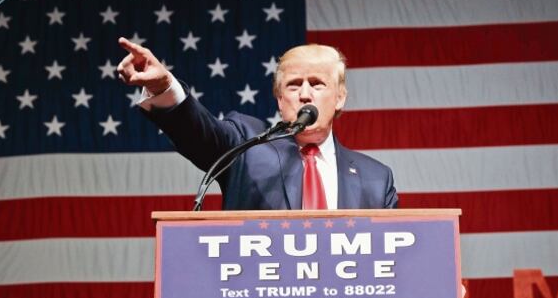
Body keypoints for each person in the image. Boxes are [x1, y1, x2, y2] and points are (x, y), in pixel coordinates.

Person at [116, 40, 398, 211]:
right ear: (279, 99)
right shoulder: (246, 146)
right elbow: (199, 134)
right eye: (293, 85)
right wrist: (164, 86)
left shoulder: (376, 178)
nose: (304, 94)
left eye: (317, 84)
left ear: (340, 98)